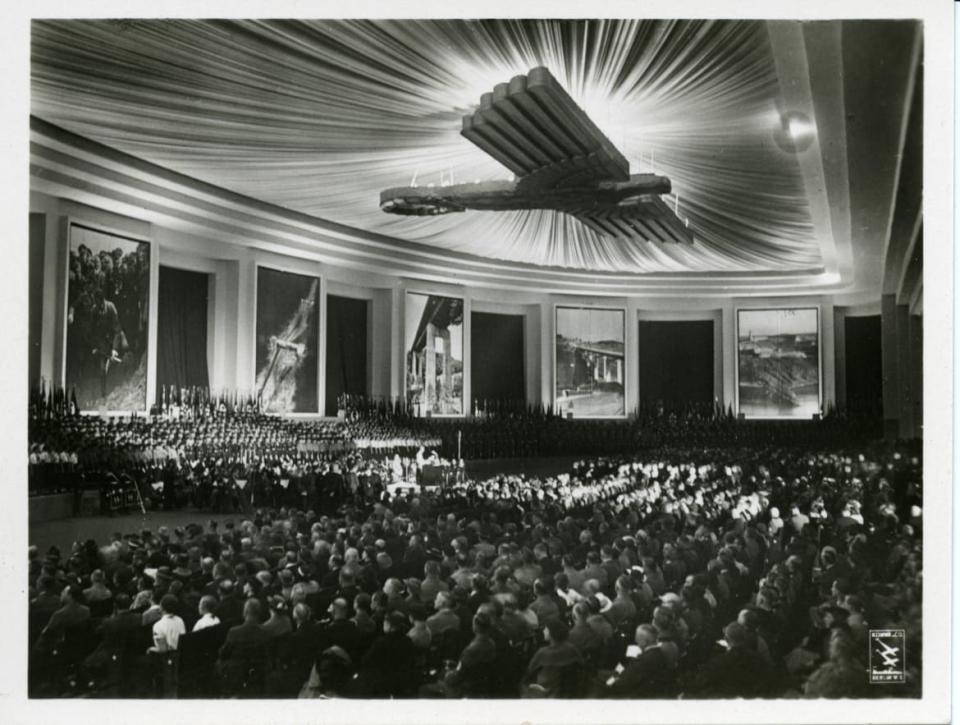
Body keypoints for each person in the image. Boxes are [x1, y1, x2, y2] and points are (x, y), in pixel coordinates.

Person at [603, 624, 674, 698]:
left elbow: (623, 682)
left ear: (644, 642)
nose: (635, 641)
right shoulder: (657, 653)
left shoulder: (643, 660)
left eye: (637, 638)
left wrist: (608, 681)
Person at [522, 619, 583, 697]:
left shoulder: (543, 653)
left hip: (546, 689)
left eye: (546, 629)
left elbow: (530, 670)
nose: (544, 631)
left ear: (552, 634)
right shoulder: (572, 648)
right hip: (567, 689)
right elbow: (581, 663)